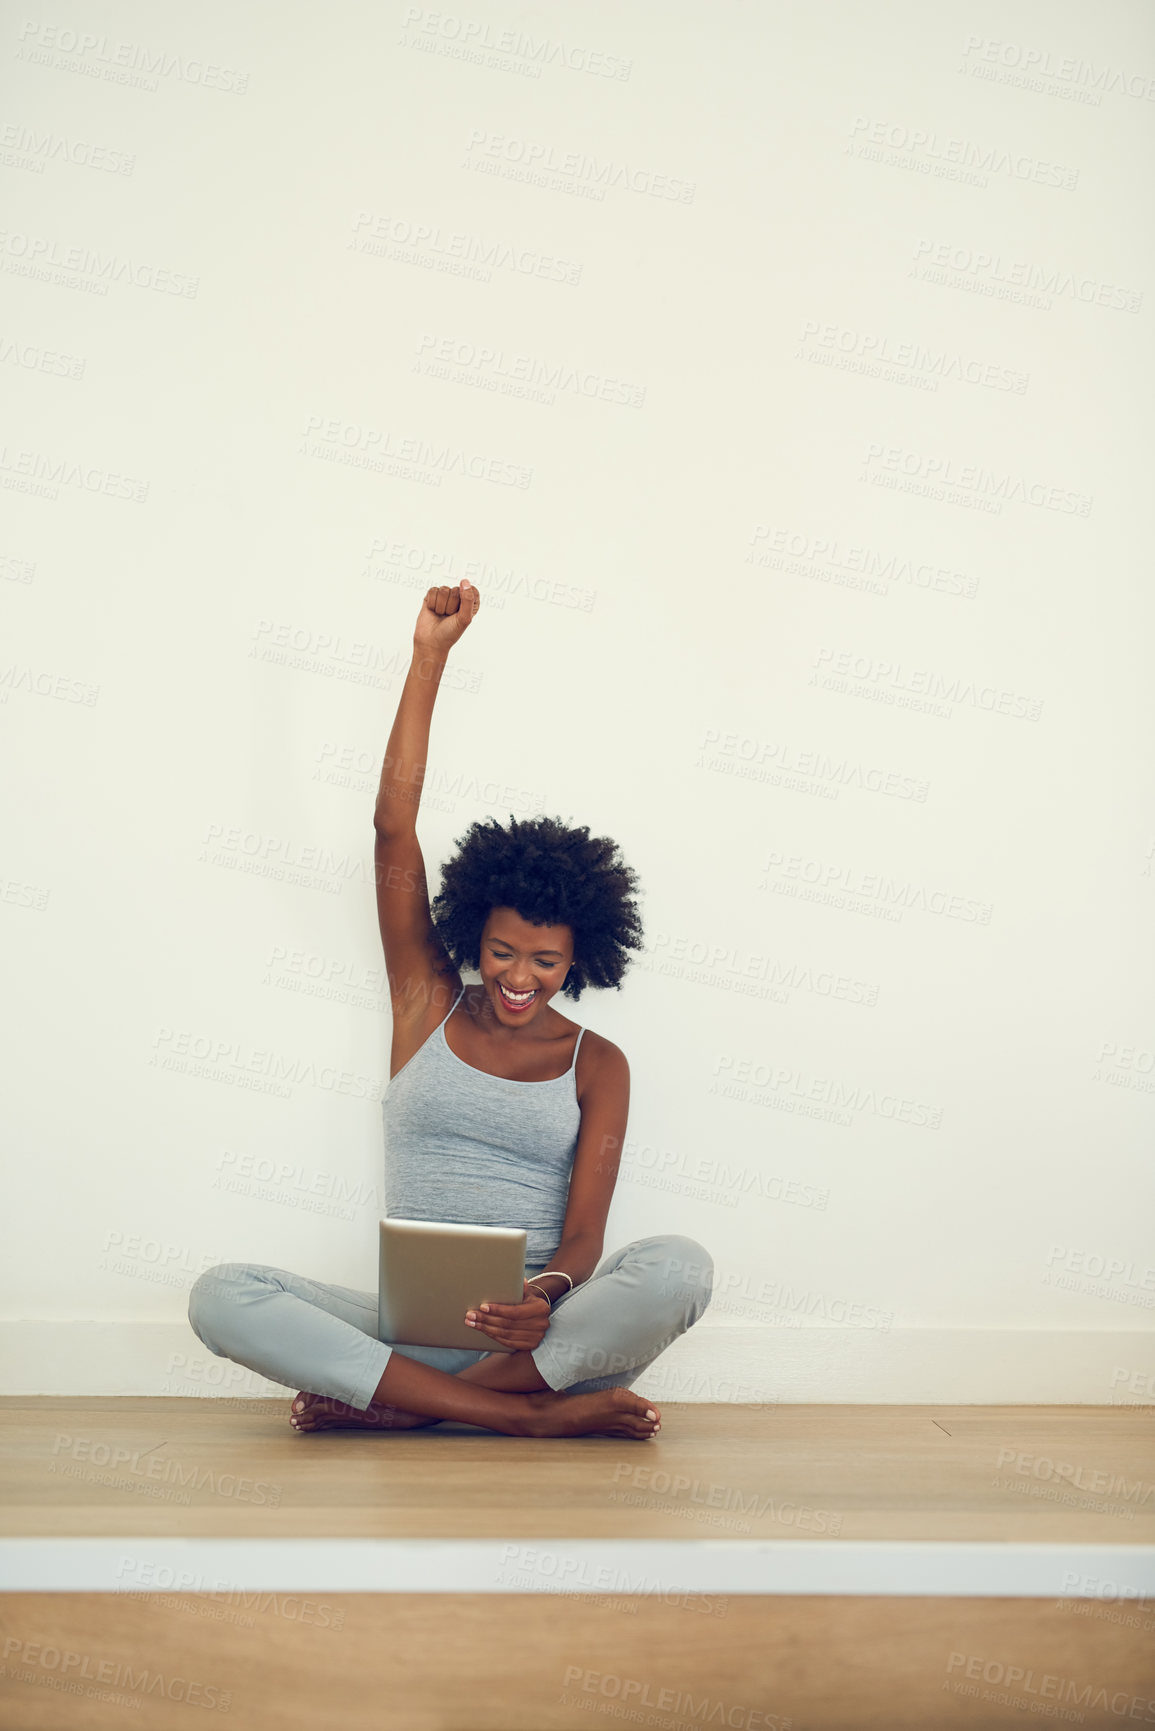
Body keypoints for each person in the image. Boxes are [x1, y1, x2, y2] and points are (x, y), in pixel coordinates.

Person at [188, 580, 714, 1439]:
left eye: (544, 961)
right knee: (222, 1294)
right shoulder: (424, 1002)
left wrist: (542, 1299)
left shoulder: (600, 1063)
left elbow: (585, 1238)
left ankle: (415, 1406)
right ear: (475, 933)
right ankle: (523, 1421)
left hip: (541, 1340)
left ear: (580, 957)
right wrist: (428, 658)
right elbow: (394, 830)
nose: (518, 976)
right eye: (503, 952)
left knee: (679, 1267)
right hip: (407, 1334)